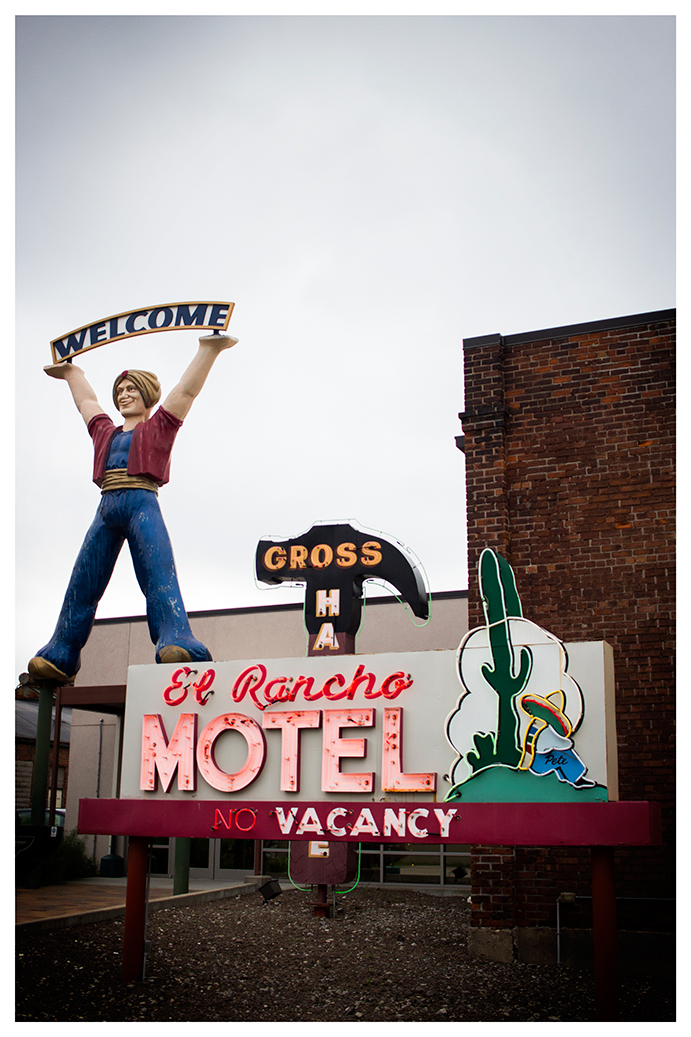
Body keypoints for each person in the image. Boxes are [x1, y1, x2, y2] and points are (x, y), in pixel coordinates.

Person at [28, 333, 237, 684]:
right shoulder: (105, 432)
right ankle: (62, 650)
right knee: (83, 581)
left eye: (131, 390)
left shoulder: (160, 426)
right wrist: (72, 374)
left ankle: (176, 638)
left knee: (158, 574)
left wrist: (208, 350)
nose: (124, 396)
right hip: (107, 507)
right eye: (120, 391)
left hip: (142, 503)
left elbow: (185, 392)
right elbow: (87, 403)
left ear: (147, 396)